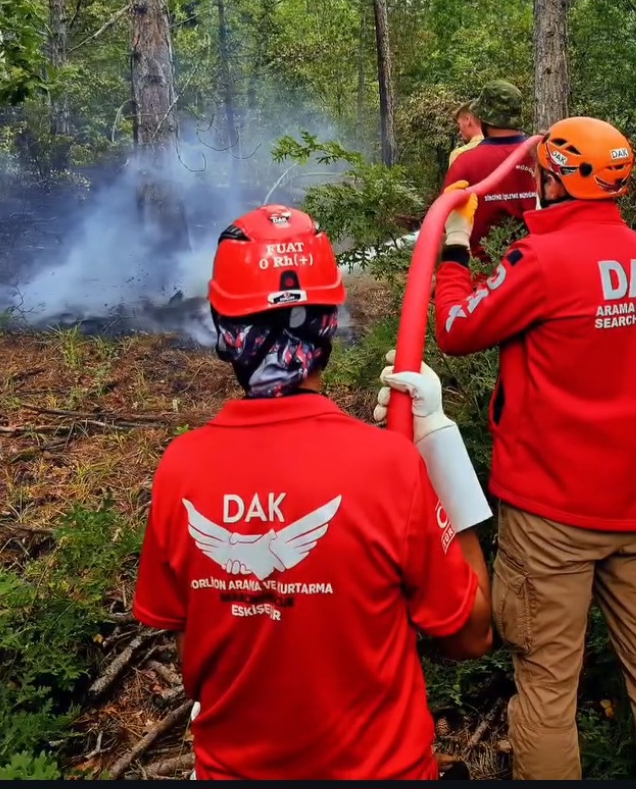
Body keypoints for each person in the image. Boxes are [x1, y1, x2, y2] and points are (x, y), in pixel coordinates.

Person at [133, 204, 493, 781]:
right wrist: (441, 446)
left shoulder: (180, 470)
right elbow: (471, 634)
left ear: (225, 332)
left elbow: (189, 641)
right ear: (328, 322)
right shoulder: (388, 466)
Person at [432, 116, 636, 781]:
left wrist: (456, 247)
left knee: (548, 681)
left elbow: (456, 329)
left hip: (551, 515)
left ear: (555, 180)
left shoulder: (543, 263)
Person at [442, 80, 536, 263]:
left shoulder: (465, 162)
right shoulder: (540, 155)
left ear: (483, 117)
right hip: (536, 271)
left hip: (482, 280)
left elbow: (445, 228)